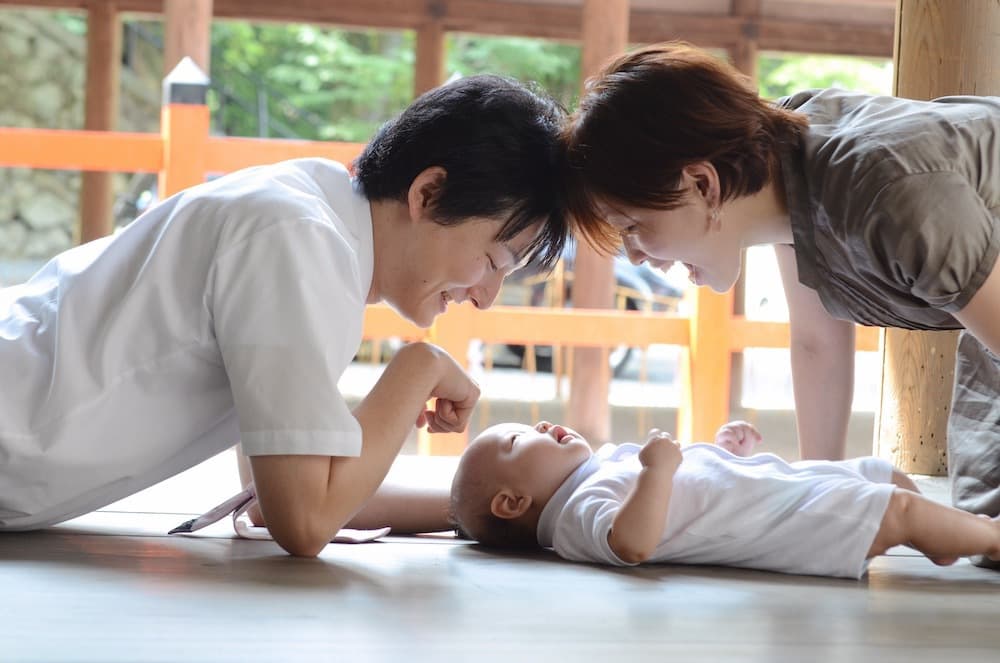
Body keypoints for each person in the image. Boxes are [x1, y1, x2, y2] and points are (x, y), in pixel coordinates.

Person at [0, 74, 577, 557]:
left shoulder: (314, 217)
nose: (486, 295)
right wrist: (418, 367)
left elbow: (290, 486)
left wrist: (522, 510)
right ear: (428, 193)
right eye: (494, 259)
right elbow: (304, 520)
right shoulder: (299, 244)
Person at [559, 42, 1000, 562]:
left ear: (701, 183)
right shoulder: (780, 162)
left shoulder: (890, 195)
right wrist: (828, 498)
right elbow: (817, 344)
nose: (636, 256)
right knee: (985, 536)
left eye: (633, 227)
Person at [450, 419, 1000, 579]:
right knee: (895, 508)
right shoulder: (573, 519)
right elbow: (634, 541)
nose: (545, 423)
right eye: (521, 437)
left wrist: (716, 449)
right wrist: (659, 470)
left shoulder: (593, 470)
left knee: (887, 479)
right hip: (788, 524)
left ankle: (945, 539)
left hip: (779, 487)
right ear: (512, 503)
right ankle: (988, 536)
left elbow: (687, 504)